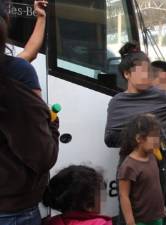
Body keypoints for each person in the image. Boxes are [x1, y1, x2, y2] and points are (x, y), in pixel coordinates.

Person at [104, 42, 166, 224]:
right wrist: (138, 134)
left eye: (148, 71)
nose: (146, 76)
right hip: (129, 166)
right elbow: (110, 139)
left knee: (157, 212)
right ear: (126, 74)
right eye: (140, 72)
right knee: (128, 212)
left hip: (156, 166)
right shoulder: (117, 102)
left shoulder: (160, 96)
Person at [0, 2, 60, 224]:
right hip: (13, 211)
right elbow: (43, 154)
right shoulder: (15, 72)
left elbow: (28, 54)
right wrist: (51, 123)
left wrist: (41, 18)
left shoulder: (14, 69)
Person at [118, 114, 165, 225]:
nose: (157, 142)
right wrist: (130, 221)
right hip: (141, 221)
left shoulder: (153, 156)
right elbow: (124, 195)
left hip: (157, 217)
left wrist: (162, 208)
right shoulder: (129, 166)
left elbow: (156, 187)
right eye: (153, 137)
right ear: (139, 138)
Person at [0, 0, 47, 97]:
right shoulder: (17, 70)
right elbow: (37, 111)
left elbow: (29, 53)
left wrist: (41, 17)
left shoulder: (15, 67)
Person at [42, 165, 112, 225]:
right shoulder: (102, 224)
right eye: (102, 195)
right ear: (88, 205)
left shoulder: (51, 222)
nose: (105, 197)